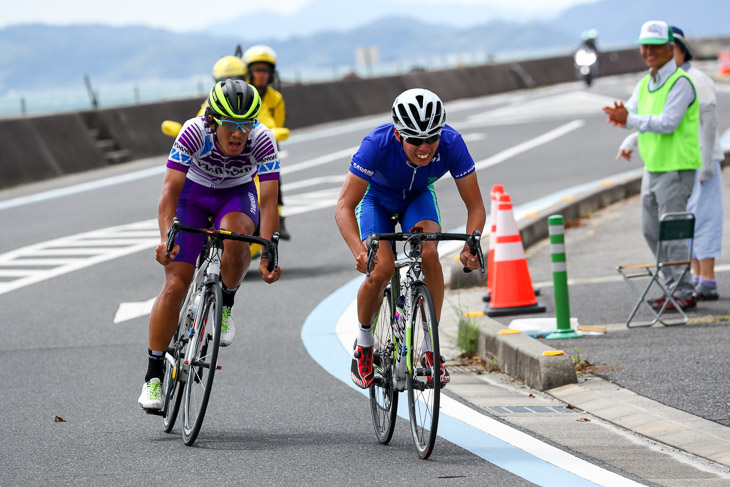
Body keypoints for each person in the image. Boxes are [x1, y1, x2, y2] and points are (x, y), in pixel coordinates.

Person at [138, 79, 282, 410]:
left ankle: (226, 303)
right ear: (213, 121)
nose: (238, 134)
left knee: (236, 237)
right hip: (193, 194)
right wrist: (165, 239)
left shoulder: (261, 140)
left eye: (246, 125)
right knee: (175, 284)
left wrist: (270, 251)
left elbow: (270, 201)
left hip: (235, 195)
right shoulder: (193, 132)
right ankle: (153, 376)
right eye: (231, 125)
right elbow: (169, 192)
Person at [335, 88, 486, 389]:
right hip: (377, 199)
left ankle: (430, 350)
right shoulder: (376, 145)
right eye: (415, 140)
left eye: (432, 138)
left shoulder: (453, 144)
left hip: (417, 197)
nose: (425, 148)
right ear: (398, 134)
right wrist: (358, 251)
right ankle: (364, 344)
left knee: (430, 252)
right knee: (382, 269)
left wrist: (472, 242)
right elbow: (344, 207)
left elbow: (476, 206)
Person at [604, 20, 702, 311]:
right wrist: (622, 122)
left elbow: (668, 123)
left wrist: (629, 120)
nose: (648, 52)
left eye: (655, 47)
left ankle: (683, 291)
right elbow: (633, 113)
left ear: (671, 48)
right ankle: (673, 287)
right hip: (654, 166)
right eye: (645, 46)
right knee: (651, 230)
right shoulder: (645, 83)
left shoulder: (681, 83)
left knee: (671, 232)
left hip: (677, 167)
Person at [243, 45, 290, 241]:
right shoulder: (243, 93)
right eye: (257, 71)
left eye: (265, 71)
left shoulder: (275, 98)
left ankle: (279, 218)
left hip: (265, 144)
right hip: (242, 143)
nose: (261, 75)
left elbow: (279, 122)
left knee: (273, 179)